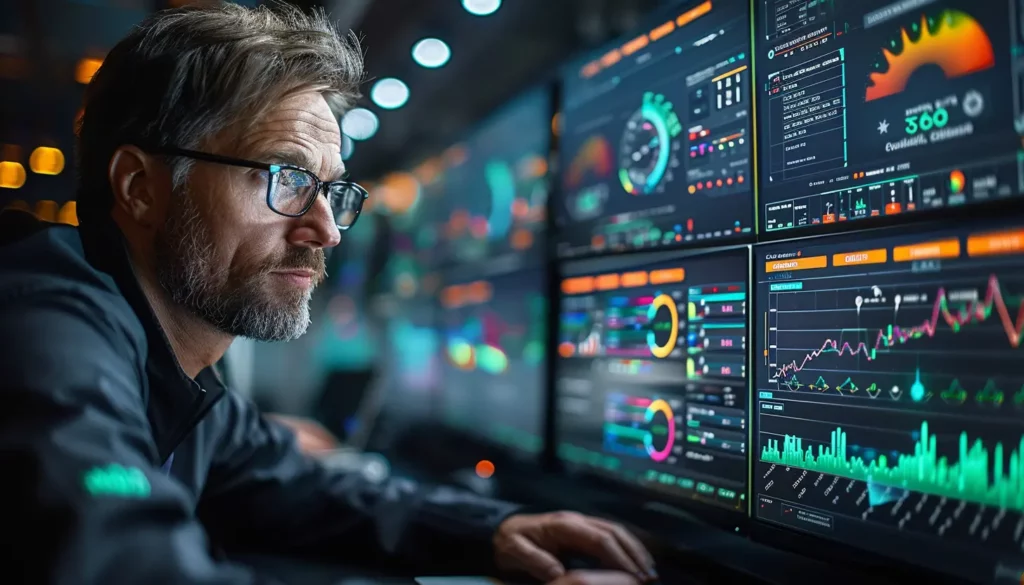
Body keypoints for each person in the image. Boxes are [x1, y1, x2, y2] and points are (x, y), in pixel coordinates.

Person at [0, 4, 658, 585]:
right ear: (141, 188)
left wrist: (492, 530)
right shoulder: (47, 329)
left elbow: (293, 485)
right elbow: (128, 563)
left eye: (330, 189)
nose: (325, 229)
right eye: (285, 177)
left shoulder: (179, 370)